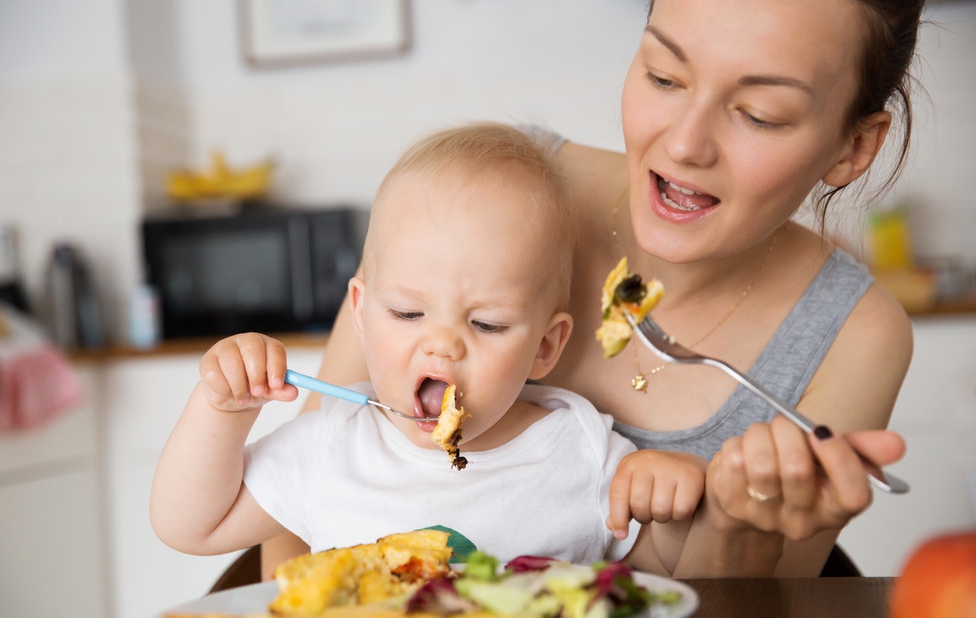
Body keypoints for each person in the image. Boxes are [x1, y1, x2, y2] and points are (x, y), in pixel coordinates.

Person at [262, 0, 922, 579]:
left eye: (759, 114)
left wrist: (734, 528)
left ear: (852, 148)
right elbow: (298, 508)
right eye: (663, 75)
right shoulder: (485, 191)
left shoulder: (854, 335)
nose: (685, 144)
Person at [149, 123, 704, 566]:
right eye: (407, 313)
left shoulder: (581, 451)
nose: (441, 347)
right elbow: (190, 526)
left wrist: (669, 514)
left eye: (486, 324)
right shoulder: (333, 445)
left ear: (545, 346)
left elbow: (659, 581)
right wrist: (222, 409)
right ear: (362, 315)